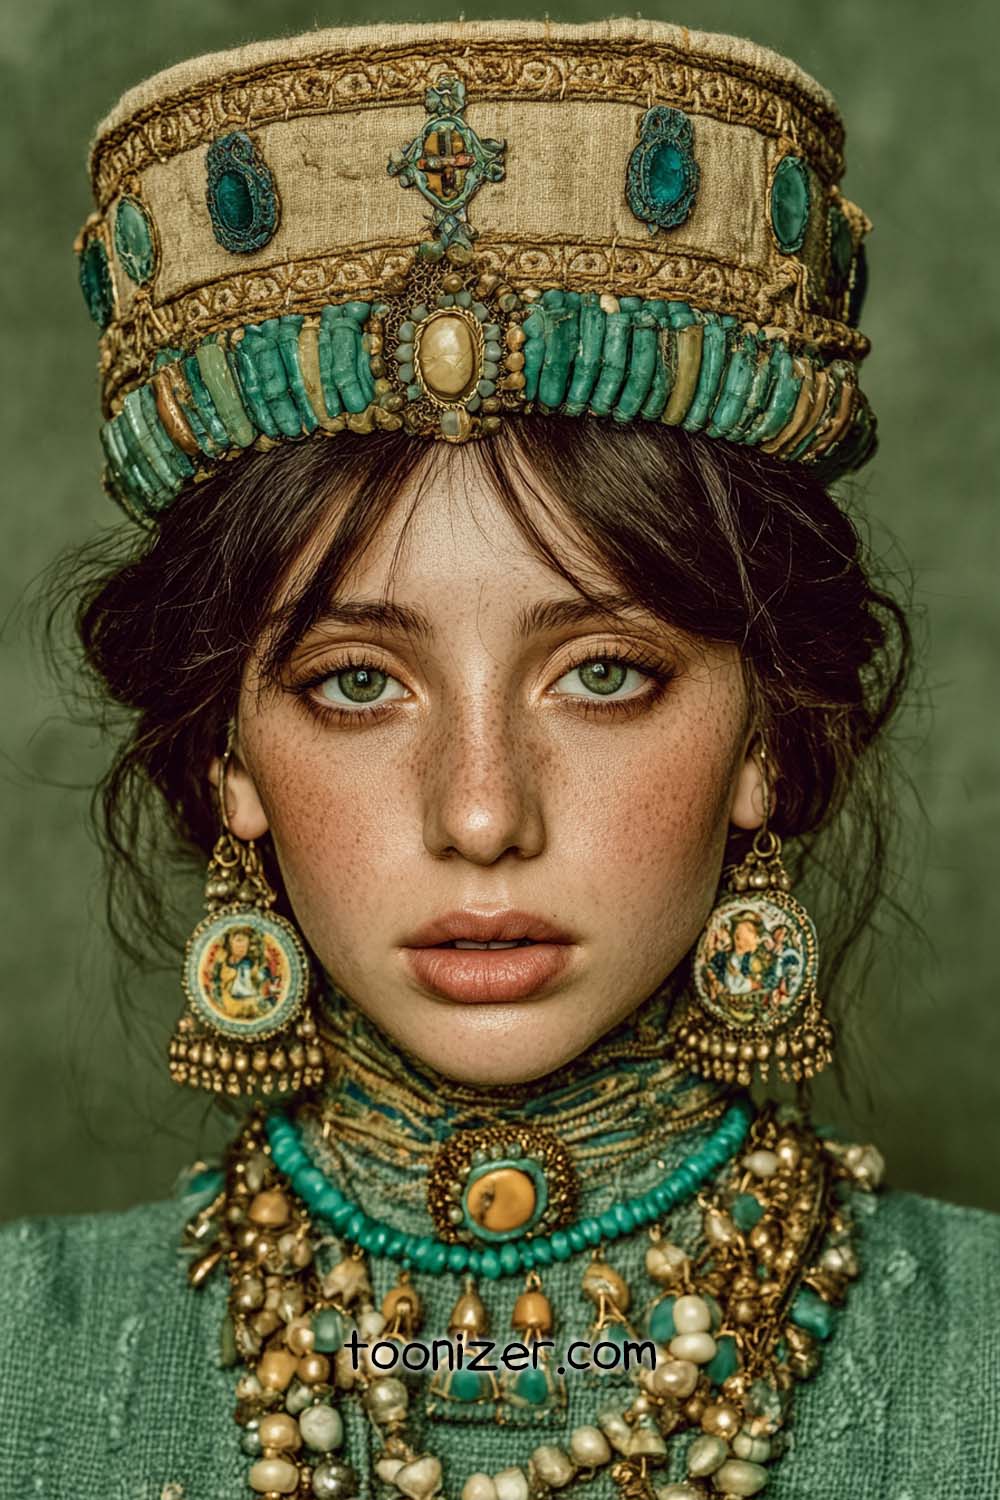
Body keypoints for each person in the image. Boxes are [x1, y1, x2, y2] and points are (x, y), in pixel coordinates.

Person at [3, 15, 997, 1500]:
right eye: (355, 683)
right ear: (230, 754)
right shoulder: (29, 1357)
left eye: (604, 674)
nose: (480, 813)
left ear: (765, 735)